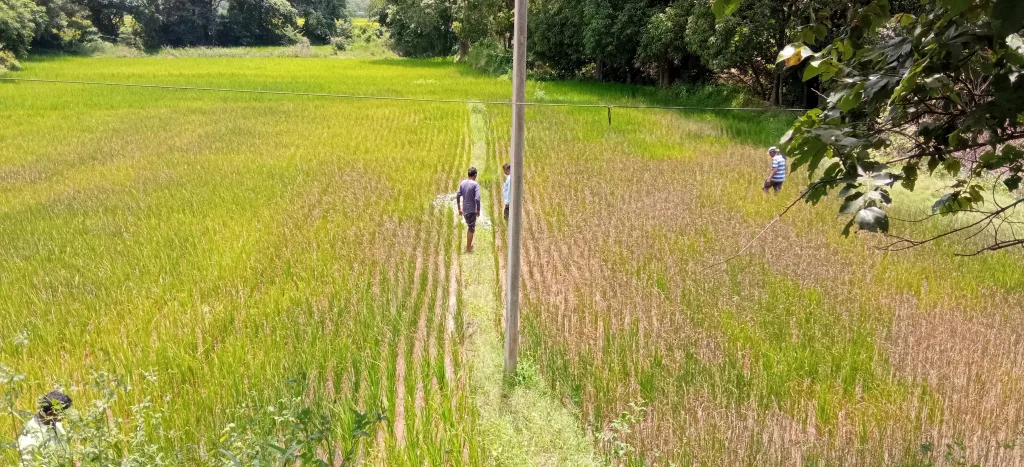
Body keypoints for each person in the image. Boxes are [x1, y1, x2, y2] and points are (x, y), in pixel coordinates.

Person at [19, 391, 72, 466]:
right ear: (50, 414)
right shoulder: (29, 440)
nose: (64, 417)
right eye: (62, 414)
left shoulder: (55, 423)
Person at [456, 167, 481, 253]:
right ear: (475, 175)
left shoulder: (462, 183)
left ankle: (469, 245)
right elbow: (477, 198)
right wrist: (478, 210)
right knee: (471, 228)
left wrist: (459, 209)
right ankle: (468, 248)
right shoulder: (475, 184)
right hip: (472, 210)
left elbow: (458, 195)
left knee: (470, 228)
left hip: (465, 210)